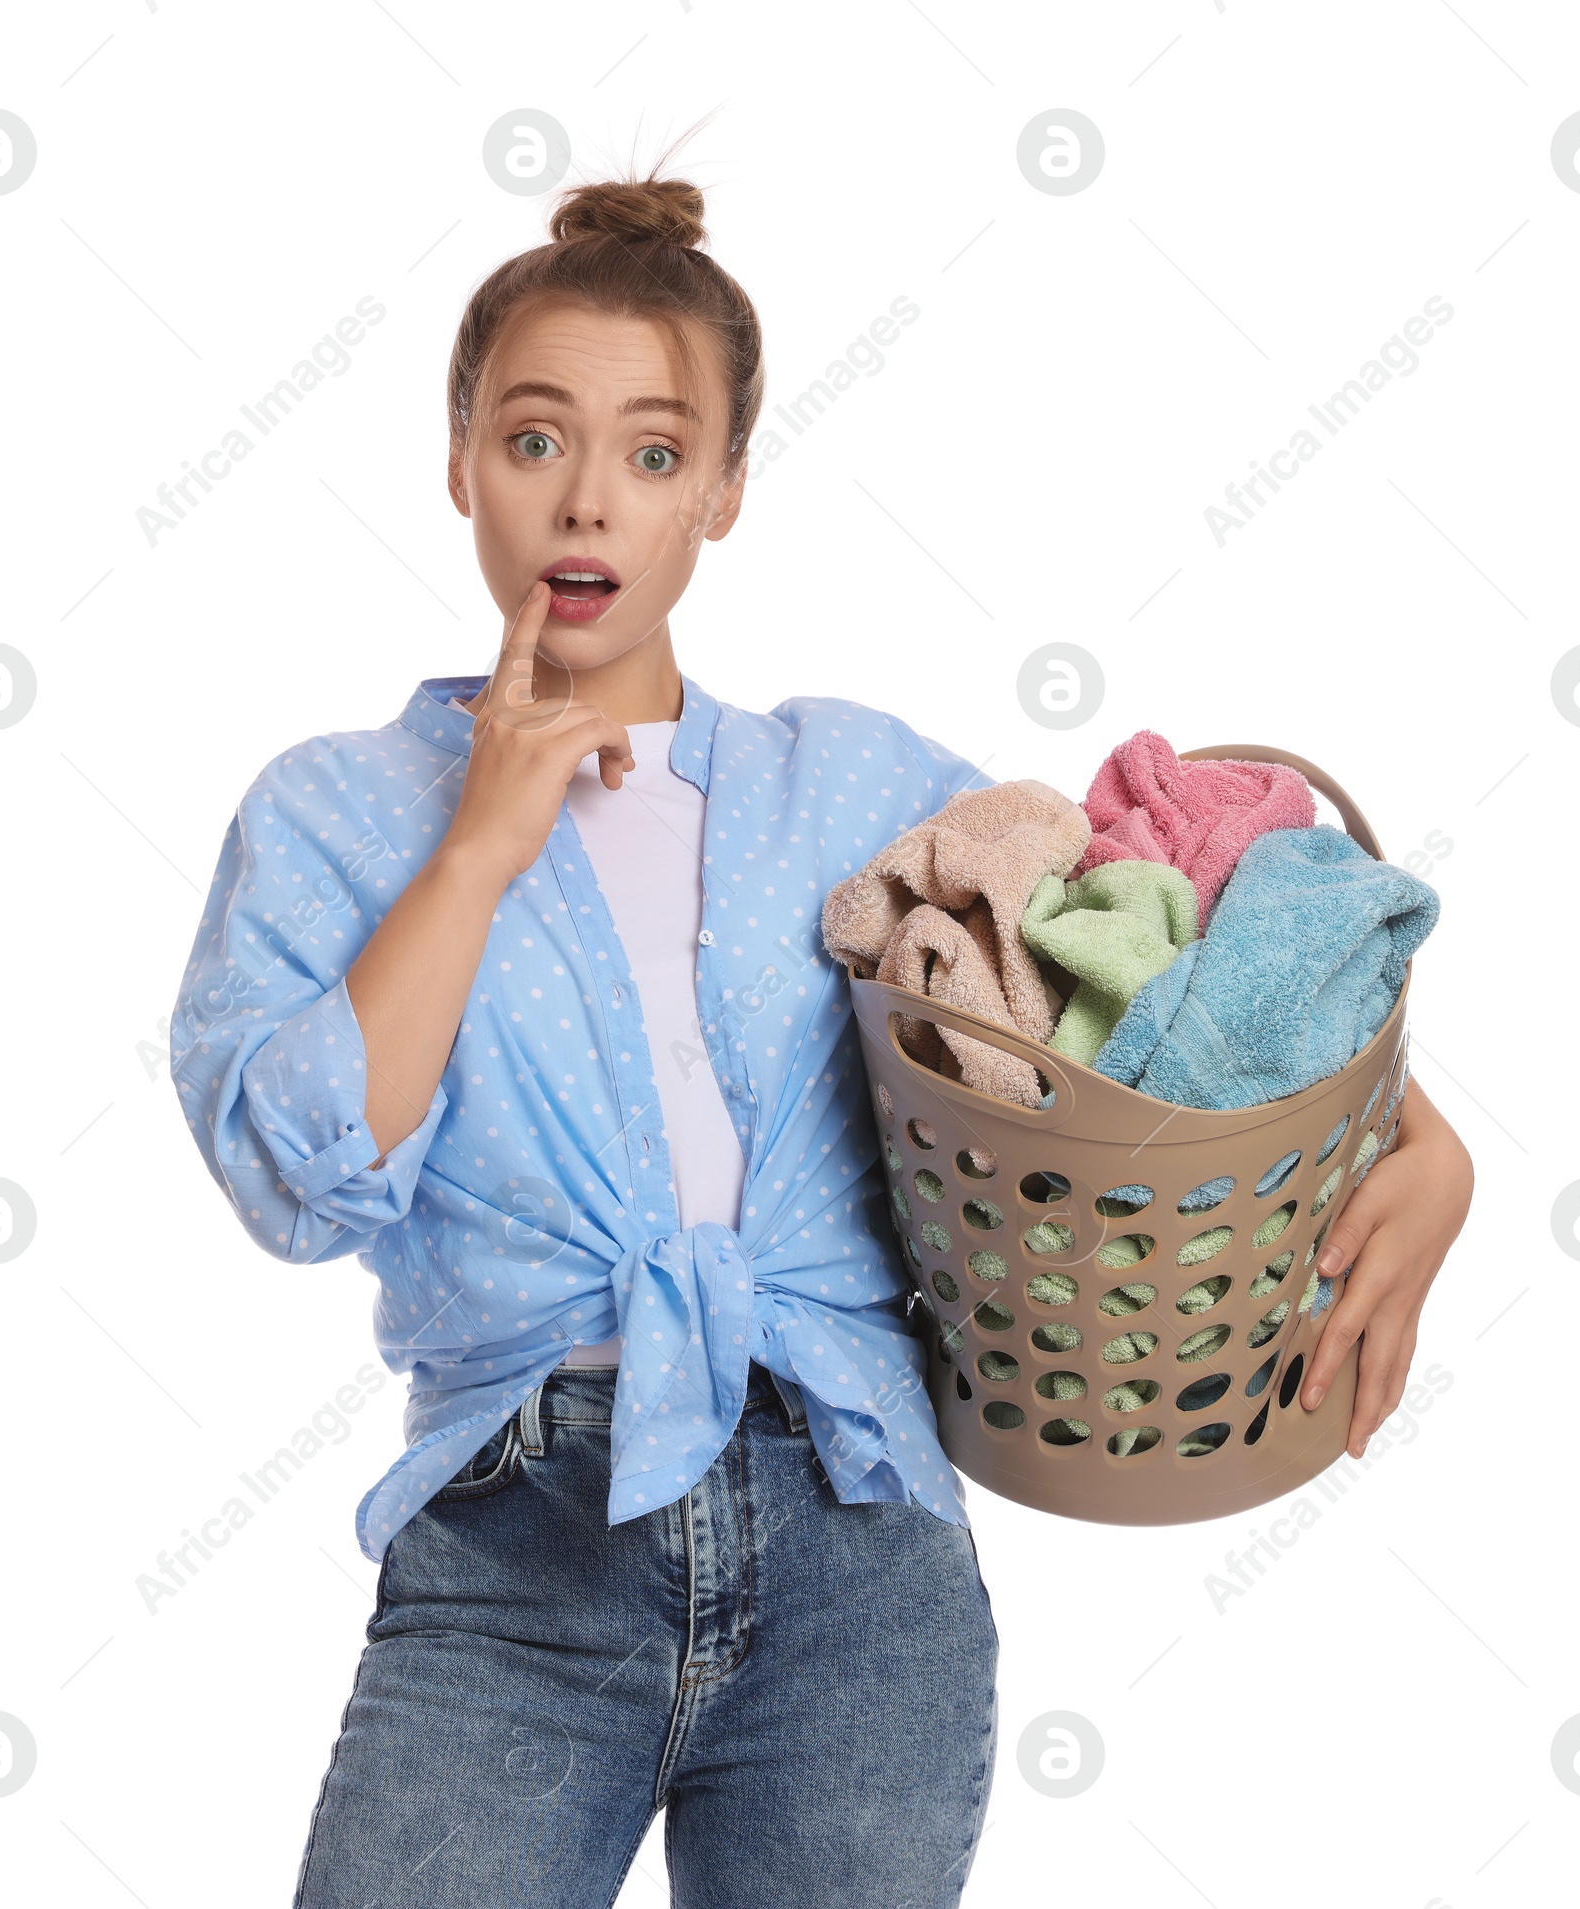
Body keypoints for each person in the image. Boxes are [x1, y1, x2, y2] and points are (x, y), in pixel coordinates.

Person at [170, 163, 1472, 1908]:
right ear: (462, 457)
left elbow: (1139, 995)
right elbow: (293, 1169)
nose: (590, 503)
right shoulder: (336, 811)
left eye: (653, 453)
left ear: (718, 491)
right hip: (516, 1541)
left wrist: (1421, 1136)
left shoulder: (852, 782)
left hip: (860, 1542)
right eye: (536, 437)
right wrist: (484, 837)